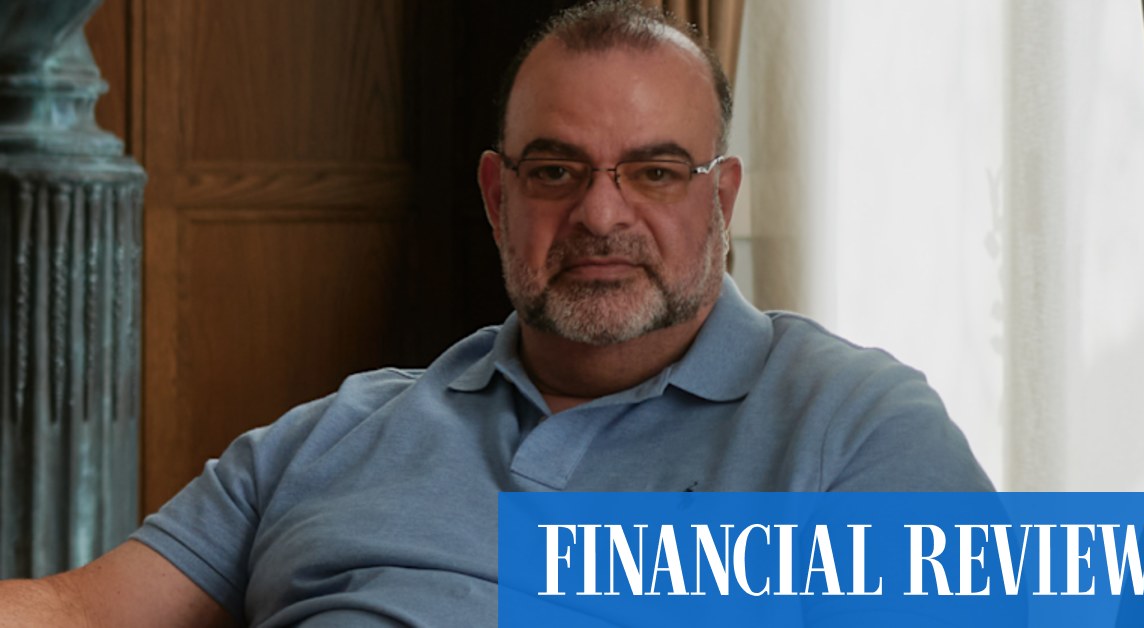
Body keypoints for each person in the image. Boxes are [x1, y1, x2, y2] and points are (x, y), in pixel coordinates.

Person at [0, 1, 992, 625]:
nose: (601, 215)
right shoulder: (336, 431)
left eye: (654, 171)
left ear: (721, 198)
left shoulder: (855, 426)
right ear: (496, 197)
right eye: (556, 170)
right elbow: (78, 611)